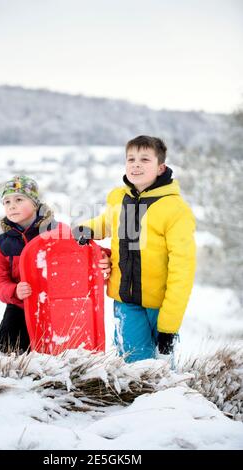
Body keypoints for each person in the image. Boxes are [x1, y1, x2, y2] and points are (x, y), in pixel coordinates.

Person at [72, 135, 196, 362]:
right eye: (131, 159)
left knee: (160, 371)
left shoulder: (174, 210)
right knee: (132, 364)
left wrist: (168, 324)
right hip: (125, 302)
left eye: (145, 159)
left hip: (160, 306)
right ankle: (134, 398)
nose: (136, 164)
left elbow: (183, 270)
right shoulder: (120, 199)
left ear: (161, 168)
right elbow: (107, 223)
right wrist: (86, 229)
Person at [0, 175, 111, 353]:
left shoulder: (58, 231)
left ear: (34, 203)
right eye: (6, 202)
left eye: (18, 199)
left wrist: (104, 258)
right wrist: (13, 290)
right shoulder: (3, 243)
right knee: (11, 348)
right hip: (19, 306)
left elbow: (85, 252)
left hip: (55, 306)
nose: (12, 205)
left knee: (57, 353)